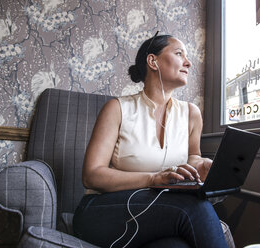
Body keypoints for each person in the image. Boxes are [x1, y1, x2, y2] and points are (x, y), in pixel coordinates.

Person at [73, 32, 229, 248]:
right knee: (194, 207)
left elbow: (193, 157)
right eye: (178, 53)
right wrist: (153, 179)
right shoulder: (117, 108)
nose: (188, 62)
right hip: (102, 211)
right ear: (152, 61)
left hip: (159, 213)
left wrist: (203, 167)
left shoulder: (191, 114)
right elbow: (91, 176)